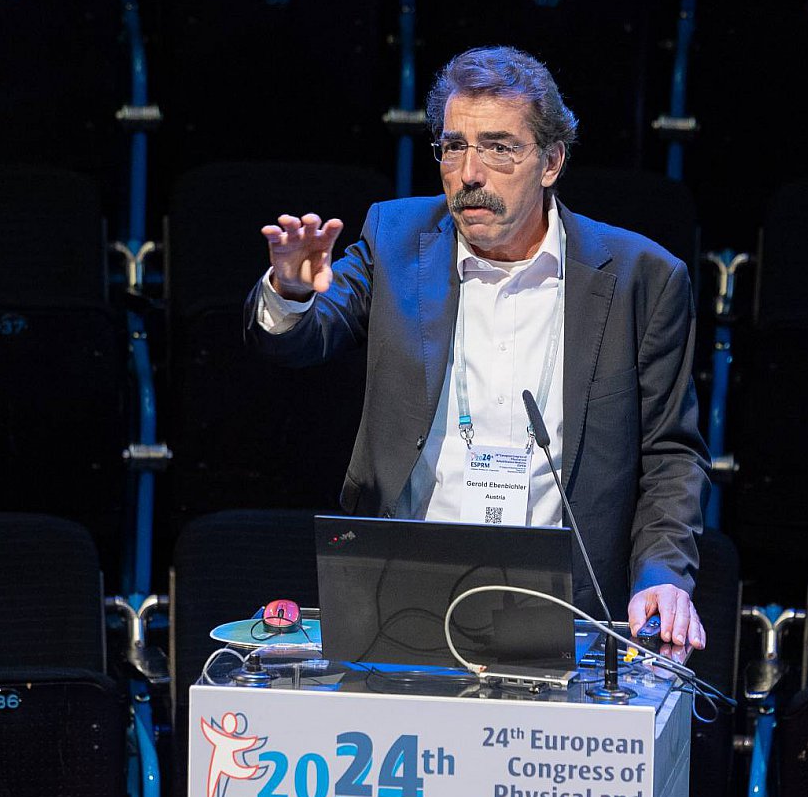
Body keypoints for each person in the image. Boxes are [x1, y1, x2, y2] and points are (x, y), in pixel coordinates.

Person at [244, 46, 710, 649]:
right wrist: (290, 291)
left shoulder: (641, 278)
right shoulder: (395, 239)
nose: (469, 174)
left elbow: (671, 453)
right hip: (399, 595)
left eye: (498, 148)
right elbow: (306, 334)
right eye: (454, 147)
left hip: (567, 607)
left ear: (551, 162)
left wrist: (662, 574)